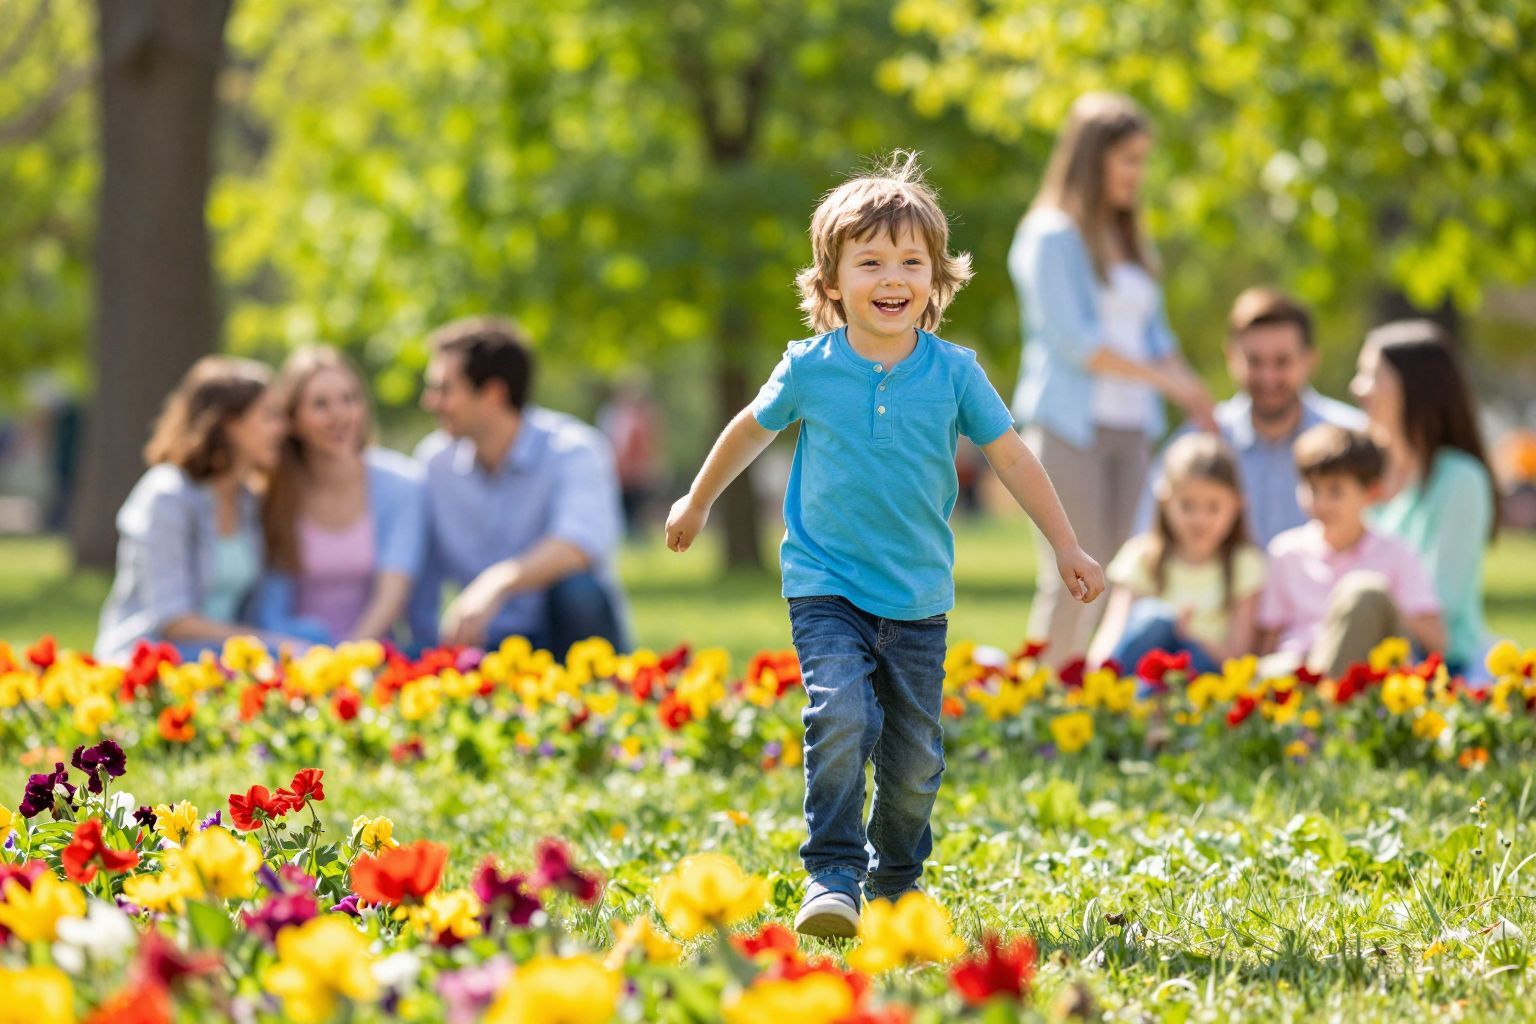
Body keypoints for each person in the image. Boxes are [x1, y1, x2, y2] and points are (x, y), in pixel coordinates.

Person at [665, 152, 1103, 939]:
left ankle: (896, 882)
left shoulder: (955, 373)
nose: (892, 277)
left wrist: (1067, 544)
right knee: (839, 712)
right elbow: (748, 432)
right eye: (869, 262)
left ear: (937, 278)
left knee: (914, 763)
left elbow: (1012, 458)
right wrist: (698, 501)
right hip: (825, 584)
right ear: (831, 281)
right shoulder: (810, 368)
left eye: (911, 261)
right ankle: (832, 875)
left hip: (917, 597)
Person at [1009, 91, 1214, 666]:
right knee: (1074, 571)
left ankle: (1094, 692)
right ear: (1092, 158)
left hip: (1132, 429)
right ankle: (1038, 699)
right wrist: (1168, 384)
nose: (1137, 174)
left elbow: (1159, 340)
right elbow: (1078, 345)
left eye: (1142, 160)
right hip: (1070, 428)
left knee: (1123, 572)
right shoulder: (1049, 235)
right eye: (1128, 159)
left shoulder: (1130, 240)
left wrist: (1198, 397)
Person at [409, 317, 627, 656]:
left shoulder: (573, 450)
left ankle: (600, 687)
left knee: (579, 590)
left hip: (563, 640)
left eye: (444, 390)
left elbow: (578, 545)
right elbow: (422, 574)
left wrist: (497, 582)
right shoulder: (434, 463)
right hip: (483, 645)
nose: (430, 402)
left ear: (493, 395)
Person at [95, 356, 308, 662]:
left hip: (218, 657)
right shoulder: (167, 495)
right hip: (156, 660)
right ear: (229, 424)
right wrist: (265, 643)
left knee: (313, 642)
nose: (283, 429)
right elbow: (173, 622)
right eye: (269, 416)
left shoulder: (248, 499)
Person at [1138, 287, 1366, 546]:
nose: (1268, 377)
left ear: (1309, 360)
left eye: (1282, 362)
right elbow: (1148, 541)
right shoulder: (1195, 444)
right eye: (1254, 361)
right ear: (1231, 358)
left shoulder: (1353, 438)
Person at [251, 347, 426, 644]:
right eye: (320, 405)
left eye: (350, 399)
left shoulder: (401, 486)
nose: (340, 416)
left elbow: (392, 595)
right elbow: (271, 608)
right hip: (296, 654)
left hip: (371, 655)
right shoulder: (274, 492)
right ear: (292, 420)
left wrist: (346, 659)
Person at [1351, 321, 1498, 674]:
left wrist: (1361, 601)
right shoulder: (1364, 472)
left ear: (1412, 386)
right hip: (1366, 652)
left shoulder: (1460, 480)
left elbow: (1440, 603)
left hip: (1435, 664)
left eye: (1371, 375)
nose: (1357, 387)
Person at [1256, 425, 1445, 677]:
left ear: (1371, 492)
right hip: (1301, 669)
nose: (1320, 503)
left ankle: (1328, 692)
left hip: (1366, 674)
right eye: (1312, 489)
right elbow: (1269, 640)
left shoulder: (1396, 553)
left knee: (1362, 591)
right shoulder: (1286, 552)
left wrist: (1377, 607)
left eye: (1335, 492)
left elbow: (1436, 641)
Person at [1089, 434, 1266, 675]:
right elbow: (1113, 630)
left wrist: (1186, 633)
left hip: (1206, 674)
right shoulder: (1143, 556)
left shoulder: (1244, 563)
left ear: (1236, 504)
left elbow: (1237, 658)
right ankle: (1108, 683)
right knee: (1155, 619)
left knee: (1176, 642)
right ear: (1165, 501)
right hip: (1146, 670)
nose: (1200, 519)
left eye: (1213, 507)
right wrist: (1096, 669)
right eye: (1187, 505)